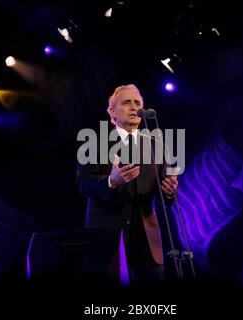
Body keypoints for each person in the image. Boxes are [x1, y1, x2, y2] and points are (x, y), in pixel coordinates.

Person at [76, 84, 178, 285]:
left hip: (147, 236)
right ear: (112, 112)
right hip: (106, 230)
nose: (133, 107)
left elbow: (165, 195)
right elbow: (83, 183)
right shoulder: (94, 143)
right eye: (126, 102)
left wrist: (169, 192)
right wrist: (110, 182)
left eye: (137, 103)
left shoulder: (157, 146)